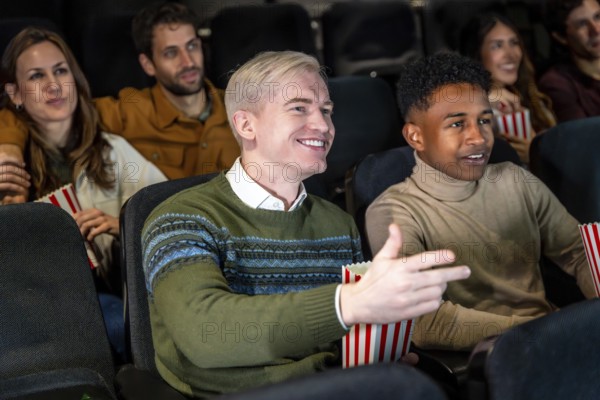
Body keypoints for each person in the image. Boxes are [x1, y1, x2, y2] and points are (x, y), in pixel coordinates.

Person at [142, 51, 471, 398]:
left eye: (326, 111)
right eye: (299, 108)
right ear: (245, 125)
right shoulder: (179, 218)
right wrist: (346, 304)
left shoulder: (336, 223)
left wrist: (374, 353)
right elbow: (205, 334)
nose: (324, 126)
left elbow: (341, 340)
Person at [365, 52, 596, 352]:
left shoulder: (516, 180)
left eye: (484, 120)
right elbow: (427, 323)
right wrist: (545, 329)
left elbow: (579, 253)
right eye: (457, 124)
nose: (479, 138)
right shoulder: (393, 211)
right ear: (416, 136)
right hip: (489, 357)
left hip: (554, 339)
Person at [1, 26, 167, 360]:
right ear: (15, 94)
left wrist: (122, 226)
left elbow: (170, 217)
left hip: (104, 297)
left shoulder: (113, 151)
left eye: (61, 71)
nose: (53, 85)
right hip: (28, 306)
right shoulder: (6, 164)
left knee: (117, 320)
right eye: (36, 76)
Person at [0, 1, 239, 196]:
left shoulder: (241, 109)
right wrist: (9, 146)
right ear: (147, 64)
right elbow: (46, 112)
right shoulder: (128, 111)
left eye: (192, 46)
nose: (187, 62)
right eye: (171, 53)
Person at [459, 12, 556, 164]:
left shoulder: (532, 97)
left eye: (514, 43)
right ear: (476, 54)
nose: (511, 54)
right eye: (497, 45)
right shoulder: (464, 106)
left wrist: (538, 153)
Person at [539, 0, 600, 122]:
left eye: (598, 17)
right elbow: (583, 137)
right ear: (560, 37)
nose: (596, 30)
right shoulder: (557, 83)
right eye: (582, 24)